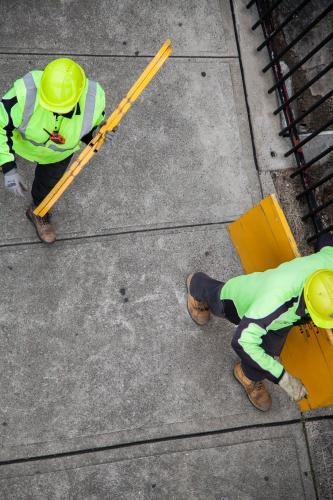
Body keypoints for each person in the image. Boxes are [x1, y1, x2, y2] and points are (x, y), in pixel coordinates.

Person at [186, 233, 333, 411]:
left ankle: (247, 375)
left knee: (268, 351)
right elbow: (242, 341)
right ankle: (196, 287)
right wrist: (283, 378)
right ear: (308, 302)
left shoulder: (329, 264)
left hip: (283, 319)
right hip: (241, 301)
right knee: (218, 299)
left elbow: (326, 239)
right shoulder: (274, 303)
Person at [0, 58, 105, 243]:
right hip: (20, 143)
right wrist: (8, 166)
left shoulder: (94, 101)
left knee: (47, 187)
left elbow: (88, 132)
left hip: (57, 155)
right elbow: (1, 125)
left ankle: (39, 210)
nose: (56, 113)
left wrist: (98, 136)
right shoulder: (25, 93)